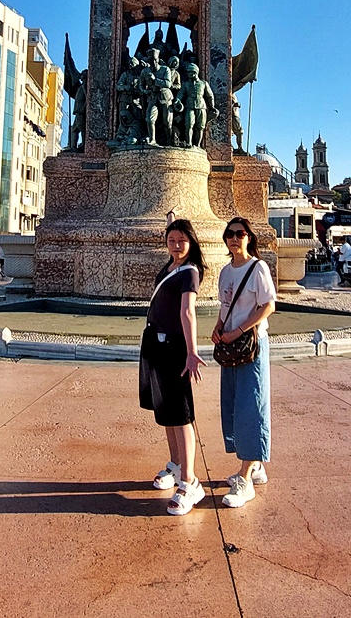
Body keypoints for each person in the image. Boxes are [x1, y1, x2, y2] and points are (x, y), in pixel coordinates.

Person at [143, 218, 208, 516]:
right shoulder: (170, 266)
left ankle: (190, 482)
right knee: (166, 409)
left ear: (191, 242)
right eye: (171, 240)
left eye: (182, 240)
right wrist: (172, 222)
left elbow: (188, 312)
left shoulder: (190, 272)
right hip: (156, 343)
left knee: (181, 414)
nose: (176, 245)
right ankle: (176, 464)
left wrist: (192, 352)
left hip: (175, 347)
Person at [212, 216, 276, 509]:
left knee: (251, 406)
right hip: (230, 345)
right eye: (230, 234)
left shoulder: (258, 267)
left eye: (240, 234)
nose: (234, 238)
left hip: (251, 344)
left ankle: (245, 478)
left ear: (249, 238)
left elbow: (268, 305)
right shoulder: (226, 271)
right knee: (234, 404)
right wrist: (218, 327)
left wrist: (239, 330)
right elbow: (225, 305)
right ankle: (255, 465)